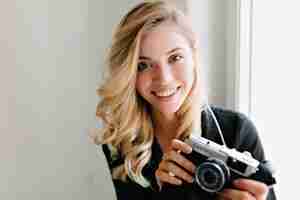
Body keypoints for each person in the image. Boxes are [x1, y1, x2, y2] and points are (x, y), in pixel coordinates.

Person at [92, 1, 276, 200]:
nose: (164, 79)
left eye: (175, 58)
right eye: (143, 65)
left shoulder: (237, 131)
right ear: (128, 74)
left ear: (194, 57)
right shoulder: (123, 142)